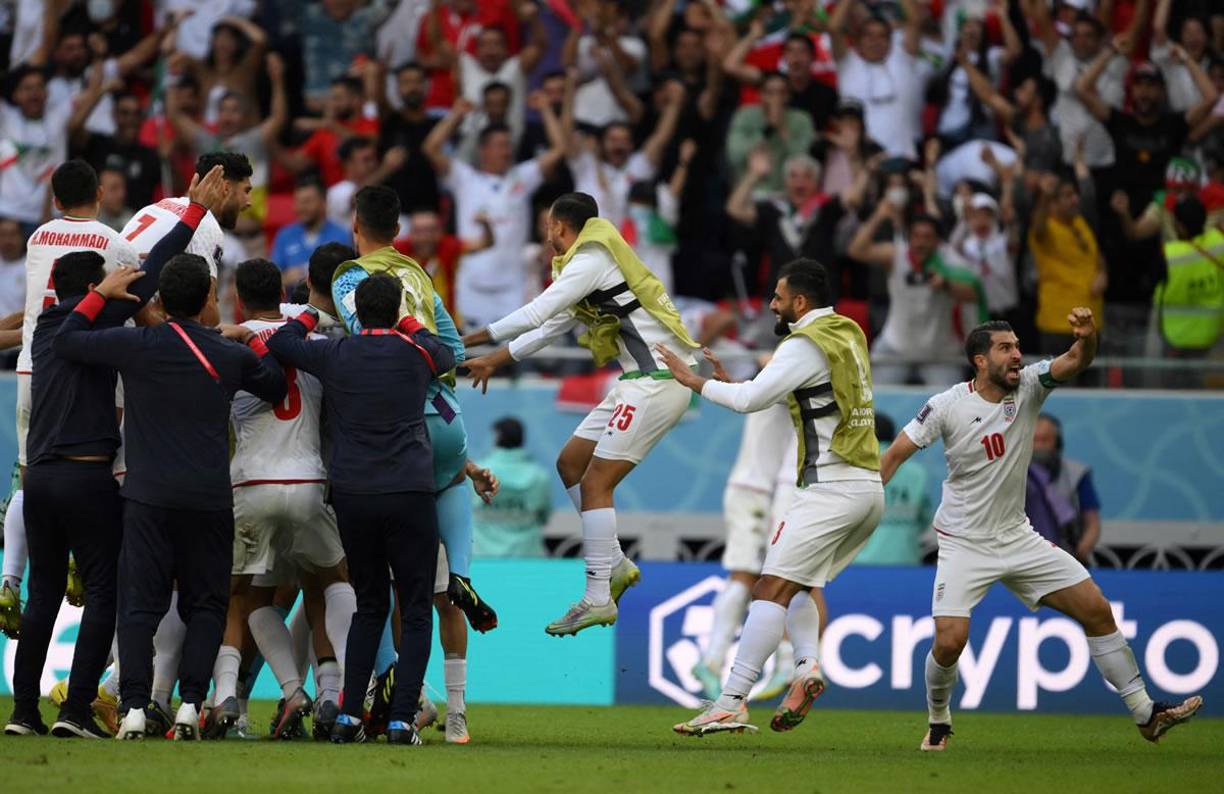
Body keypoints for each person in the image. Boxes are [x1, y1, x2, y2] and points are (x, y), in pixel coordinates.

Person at [879, 314, 1203, 751]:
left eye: (1017, 346)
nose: (1017, 354)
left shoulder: (1029, 385)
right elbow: (895, 454)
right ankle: (939, 719)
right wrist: (861, 505)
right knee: (950, 641)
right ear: (979, 360)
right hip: (963, 542)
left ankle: (1146, 713)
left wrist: (1088, 338)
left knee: (1097, 610)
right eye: (1005, 348)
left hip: (1018, 537)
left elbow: (1074, 361)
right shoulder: (947, 405)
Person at [4, 165, 229, 738]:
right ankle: (77, 711)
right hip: (85, 479)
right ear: (100, 290)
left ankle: (23, 713)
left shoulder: (45, 332)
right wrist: (193, 215)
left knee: (44, 596)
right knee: (105, 591)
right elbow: (152, 277)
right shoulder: (99, 330)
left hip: (39, 481)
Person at [53, 244, 287, 740]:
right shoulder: (226, 353)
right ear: (208, 295)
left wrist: (99, 293)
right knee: (205, 604)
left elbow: (68, 340)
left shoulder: (137, 345)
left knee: (139, 605)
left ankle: (135, 708)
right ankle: (190, 707)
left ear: (160, 296)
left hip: (147, 496)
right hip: (207, 498)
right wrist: (251, 340)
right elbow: (274, 386)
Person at [657, 258, 883, 736]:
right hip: (866, 487)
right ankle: (805, 668)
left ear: (800, 302)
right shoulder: (850, 332)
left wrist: (695, 381)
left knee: (769, 589)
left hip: (831, 487)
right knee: (800, 585)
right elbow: (799, 393)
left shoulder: (803, 343)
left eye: (778, 297)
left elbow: (750, 403)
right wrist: (738, 382)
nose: (772, 305)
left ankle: (730, 700)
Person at [463, 192, 700, 635]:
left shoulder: (591, 258)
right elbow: (551, 328)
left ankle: (597, 597)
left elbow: (537, 312)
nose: (544, 231)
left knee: (595, 481)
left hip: (658, 381)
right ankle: (615, 563)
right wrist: (493, 360)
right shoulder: (586, 264)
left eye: (546, 224)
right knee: (570, 462)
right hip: (636, 381)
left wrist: (465, 341)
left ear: (558, 226)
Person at [264, 274, 454, 746]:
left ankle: (349, 716)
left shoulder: (336, 353)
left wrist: (314, 311)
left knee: (368, 604)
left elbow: (285, 343)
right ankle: (400, 720)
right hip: (409, 490)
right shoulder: (417, 352)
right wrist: (409, 320)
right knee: (414, 609)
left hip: (353, 493)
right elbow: (448, 356)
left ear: (355, 312)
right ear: (394, 313)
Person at [207, 257, 356, 740]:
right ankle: (335, 696)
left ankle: (233, 694)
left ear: (240, 298)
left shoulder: (227, 340)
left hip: (251, 484)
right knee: (328, 580)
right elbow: (336, 316)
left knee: (241, 597)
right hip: (311, 483)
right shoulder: (309, 336)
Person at [0, 160, 139, 639]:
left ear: (55, 200)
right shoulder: (113, 240)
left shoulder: (38, 238)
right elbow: (136, 287)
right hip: (91, 364)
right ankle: (84, 560)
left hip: (32, 367)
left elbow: (38, 302)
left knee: (28, 473)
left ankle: (8, 580)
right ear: (100, 193)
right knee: (99, 463)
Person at [422, 97, 565, 329]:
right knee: (470, 351)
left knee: (510, 352)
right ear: (483, 149)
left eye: (509, 145)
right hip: (471, 281)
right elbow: (430, 148)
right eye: (500, 145)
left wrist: (547, 109)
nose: (507, 151)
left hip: (513, 283)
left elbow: (559, 150)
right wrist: (456, 115)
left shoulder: (522, 176)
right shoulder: (464, 178)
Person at [691, 401, 796, 702]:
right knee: (763, 575)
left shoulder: (775, 378)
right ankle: (787, 661)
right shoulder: (794, 372)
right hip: (761, 489)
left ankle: (712, 660)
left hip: (761, 487)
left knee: (757, 577)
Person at [849, 205, 983, 385]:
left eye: (927, 237)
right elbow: (857, 250)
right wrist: (879, 215)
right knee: (875, 402)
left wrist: (946, 284)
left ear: (937, 241)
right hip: (895, 346)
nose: (920, 243)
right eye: (916, 236)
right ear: (909, 237)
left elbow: (974, 294)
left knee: (951, 406)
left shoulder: (949, 259)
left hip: (940, 352)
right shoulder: (896, 255)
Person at [120, 151, 255, 325]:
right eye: (246, 191)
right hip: (130, 320)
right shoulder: (205, 223)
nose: (249, 201)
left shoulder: (157, 206)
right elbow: (208, 316)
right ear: (226, 188)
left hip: (111, 305)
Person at [827, 0, 931, 158]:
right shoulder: (848, 64)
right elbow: (834, 28)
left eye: (882, 36)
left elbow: (915, 20)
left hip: (904, 158)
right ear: (858, 41)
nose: (875, 41)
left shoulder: (902, 59)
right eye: (869, 36)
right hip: (860, 160)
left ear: (890, 42)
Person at [1028, 171, 1106, 354]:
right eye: (1068, 196)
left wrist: (1103, 273)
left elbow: (1096, 256)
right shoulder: (1045, 230)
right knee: (1061, 382)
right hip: (1059, 324)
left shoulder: (1079, 223)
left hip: (1091, 324)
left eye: (1075, 194)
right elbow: (1037, 225)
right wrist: (1045, 195)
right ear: (1053, 203)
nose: (1075, 200)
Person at [854, 414, 931, 566]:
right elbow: (925, 520)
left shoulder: (853, 469)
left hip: (859, 566)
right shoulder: (916, 474)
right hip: (906, 563)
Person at [471, 417, 552, 559]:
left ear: (496, 438)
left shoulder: (479, 473)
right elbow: (544, 516)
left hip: (482, 557)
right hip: (527, 556)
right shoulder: (539, 476)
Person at [1030, 413, 1102, 565]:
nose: (1039, 445)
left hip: (1065, 556)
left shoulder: (1077, 473)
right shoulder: (1013, 473)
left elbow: (1093, 522)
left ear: (1058, 443)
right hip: (1023, 554)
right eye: (1034, 440)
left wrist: (1082, 549)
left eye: (1046, 440)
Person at [270, 177, 353, 287]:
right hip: (291, 302)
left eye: (307, 202)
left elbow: (348, 279)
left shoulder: (341, 236)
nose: (300, 207)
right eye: (298, 202)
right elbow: (271, 280)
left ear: (324, 202)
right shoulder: (285, 235)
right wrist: (286, 278)